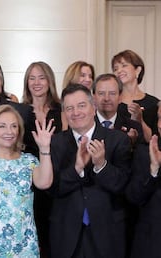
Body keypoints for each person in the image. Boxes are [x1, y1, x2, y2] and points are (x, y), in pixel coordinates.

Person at [49, 84, 132, 258]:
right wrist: (77, 168)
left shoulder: (118, 140)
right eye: (69, 108)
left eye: (81, 106)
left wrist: (101, 165)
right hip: (67, 235)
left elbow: (123, 186)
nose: (75, 112)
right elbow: (52, 189)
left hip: (107, 233)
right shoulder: (55, 143)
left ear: (93, 108)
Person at [0, 105, 54, 257]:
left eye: (14, 126)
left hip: (24, 244)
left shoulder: (28, 161)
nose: (9, 132)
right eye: (2, 126)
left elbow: (44, 183)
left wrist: (44, 148)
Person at [21, 61, 64, 258]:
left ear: (50, 81)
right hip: (28, 181)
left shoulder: (61, 110)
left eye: (41, 77)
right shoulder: (20, 111)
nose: (36, 82)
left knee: (53, 236)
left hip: (56, 178)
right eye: (32, 78)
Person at [126, 101, 161, 258]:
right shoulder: (144, 152)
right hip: (151, 245)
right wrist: (153, 170)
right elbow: (134, 197)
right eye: (160, 118)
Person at [112, 49, 159, 142]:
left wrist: (140, 120)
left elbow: (154, 140)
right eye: (115, 69)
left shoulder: (153, 103)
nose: (119, 71)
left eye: (124, 66)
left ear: (138, 70)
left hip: (145, 154)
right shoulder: (111, 102)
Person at [92, 73, 143, 146]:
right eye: (101, 93)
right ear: (94, 97)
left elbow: (140, 155)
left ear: (120, 97)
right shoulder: (83, 125)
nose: (107, 98)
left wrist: (130, 143)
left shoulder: (134, 127)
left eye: (112, 93)